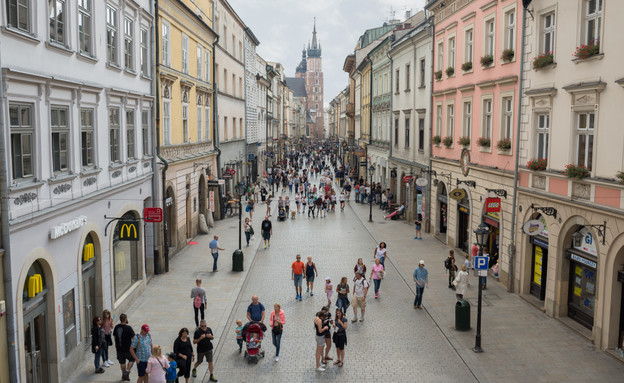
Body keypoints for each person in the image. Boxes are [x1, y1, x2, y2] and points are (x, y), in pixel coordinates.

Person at [113, 313, 135, 381]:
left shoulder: (116, 327)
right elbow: (133, 338)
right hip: (127, 349)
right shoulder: (128, 328)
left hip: (119, 348)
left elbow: (115, 337)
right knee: (132, 359)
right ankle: (127, 371)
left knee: (122, 362)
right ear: (125, 319)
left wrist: (116, 344)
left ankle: (123, 374)